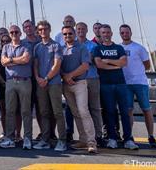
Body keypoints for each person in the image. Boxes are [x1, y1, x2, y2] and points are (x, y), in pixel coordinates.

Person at [93, 24, 137, 150]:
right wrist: (115, 65)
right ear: (100, 34)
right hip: (105, 84)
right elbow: (99, 64)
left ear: (111, 33)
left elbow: (123, 62)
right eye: (103, 33)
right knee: (110, 112)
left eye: (108, 32)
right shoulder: (97, 49)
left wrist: (108, 60)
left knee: (125, 112)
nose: (106, 35)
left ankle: (128, 139)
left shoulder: (119, 48)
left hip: (120, 84)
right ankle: (112, 138)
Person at [60, 25, 97, 154]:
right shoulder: (61, 49)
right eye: (65, 34)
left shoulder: (82, 48)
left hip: (79, 83)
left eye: (70, 33)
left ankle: (91, 142)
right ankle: (83, 140)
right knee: (75, 113)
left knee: (83, 111)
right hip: (66, 85)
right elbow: (59, 66)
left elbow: (85, 66)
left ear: (74, 34)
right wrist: (65, 77)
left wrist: (71, 76)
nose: (67, 36)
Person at [120, 24, 156, 148]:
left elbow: (147, 65)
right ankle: (129, 135)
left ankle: (151, 135)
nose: (125, 34)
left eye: (127, 32)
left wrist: (137, 72)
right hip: (125, 84)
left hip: (140, 82)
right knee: (128, 110)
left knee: (146, 109)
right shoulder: (118, 48)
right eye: (122, 33)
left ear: (131, 33)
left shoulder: (139, 48)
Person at [33, 20, 67, 151]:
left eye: (45, 29)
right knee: (44, 112)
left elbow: (57, 65)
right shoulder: (37, 47)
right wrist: (37, 78)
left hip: (53, 83)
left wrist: (46, 78)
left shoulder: (56, 46)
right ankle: (45, 139)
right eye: (40, 30)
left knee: (57, 112)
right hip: (41, 83)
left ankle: (62, 140)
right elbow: (35, 65)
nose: (43, 32)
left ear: (49, 30)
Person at [0, 24, 32, 149]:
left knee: (25, 111)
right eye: (11, 32)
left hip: (24, 81)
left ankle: (27, 138)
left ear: (20, 33)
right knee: (10, 111)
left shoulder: (26, 45)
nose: (14, 34)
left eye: (16, 32)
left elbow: (26, 60)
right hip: (10, 81)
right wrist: (16, 59)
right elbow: (3, 62)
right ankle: (10, 138)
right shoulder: (6, 47)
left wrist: (10, 60)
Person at [76, 22, 104, 146]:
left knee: (95, 108)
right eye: (78, 29)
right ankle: (85, 137)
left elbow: (92, 60)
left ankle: (98, 135)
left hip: (92, 78)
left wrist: (82, 58)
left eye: (83, 29)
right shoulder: (72, 45)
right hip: (78, 80)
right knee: (81, 110)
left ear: (87, 30)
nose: (81, 31)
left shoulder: (93, 45)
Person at [0, 27, 16, 141]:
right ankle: (5, 131)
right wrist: (3, 82)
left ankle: (16, 133)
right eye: (1, 36)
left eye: (5, 36)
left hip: (14, 81)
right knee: (3, 110)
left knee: (14, 110)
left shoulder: (15, 48)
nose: (5, 42)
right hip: (2, 83)